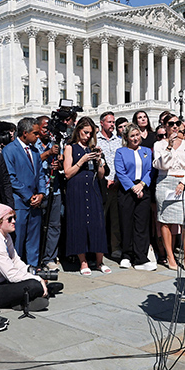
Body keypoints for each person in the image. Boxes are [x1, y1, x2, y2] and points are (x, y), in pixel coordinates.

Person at [0, 204, 61, 310]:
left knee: (36, 278)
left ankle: (29, 297)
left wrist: (30, 271)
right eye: (9, 219)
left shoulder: (5, 236)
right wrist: (37, 279)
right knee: (34, 285)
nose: (13, 221)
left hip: (3, 281)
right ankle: (24, 300)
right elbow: (11, 274)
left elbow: (15, 260)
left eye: (14, 218)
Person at [64, 116, 110, 275]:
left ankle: (99, 262)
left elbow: (101, 176)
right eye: (85, 132)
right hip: (76, 189)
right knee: (79, 224)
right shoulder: (70, 147)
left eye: (90, 133)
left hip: (92, 188)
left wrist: (99, 161)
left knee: (97, 223)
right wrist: (82, 160)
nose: (88, 136)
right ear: (78, 131)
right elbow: (68, 173)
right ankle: (83, 262)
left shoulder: (92, 148)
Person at [2, 117, 47, 269]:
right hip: (20, 202)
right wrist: (28, 196)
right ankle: (17, 268)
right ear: (25, 133)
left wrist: (41, 193)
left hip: (35, 203)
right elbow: (10, 177)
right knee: (18, 238)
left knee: (34, 238)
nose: (38, 136)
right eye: (35, 133)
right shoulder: (9, 150)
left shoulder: (35, 151)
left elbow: (41, 174)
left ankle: (33, 267)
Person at [153, 114, 185, 270]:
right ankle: (170, 256)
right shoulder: (159, 145)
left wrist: (183, 182)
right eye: (171, 123)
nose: (175, 126)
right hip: (164, 181)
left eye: (178, 123)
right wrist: (168, 147)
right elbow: (160, 165)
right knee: (164, 220)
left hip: (182, 182)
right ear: (165, 125)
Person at [114, 124, 156, 271]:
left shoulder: (146, 151)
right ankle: (127, 255)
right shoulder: (121, 152)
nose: (135, 138)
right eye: (132, 136)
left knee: (141, 225)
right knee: (126, 224)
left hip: (143, 188)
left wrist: (142, 185)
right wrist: (133, 187)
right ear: (126, 138)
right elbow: (120, 172)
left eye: (137, 135)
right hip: (127, 190)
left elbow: (151, 169)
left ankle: (141, 258)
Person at [36, 115, 63, 271]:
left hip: (55, 189)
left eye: (49, 128)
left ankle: (50, 257)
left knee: (54, 225)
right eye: (45, 128)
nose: (48, 131)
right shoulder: (34, 144)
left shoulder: (54, 143)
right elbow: (31, 161)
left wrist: (58, 163)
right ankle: (36, 257)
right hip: (39, 190)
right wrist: (47, 153)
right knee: (38, 226)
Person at [95, 111, 122, 261]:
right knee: (101, 218)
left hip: (117, 184)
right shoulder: (96, 140)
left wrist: (117, 180)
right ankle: (100, 248)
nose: (112, 125)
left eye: (113, 122)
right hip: (101, 184)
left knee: (115, 219)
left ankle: (115, 248)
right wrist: (105, 179)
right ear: (102, 123)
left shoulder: (119, 140)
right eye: (109, 122)